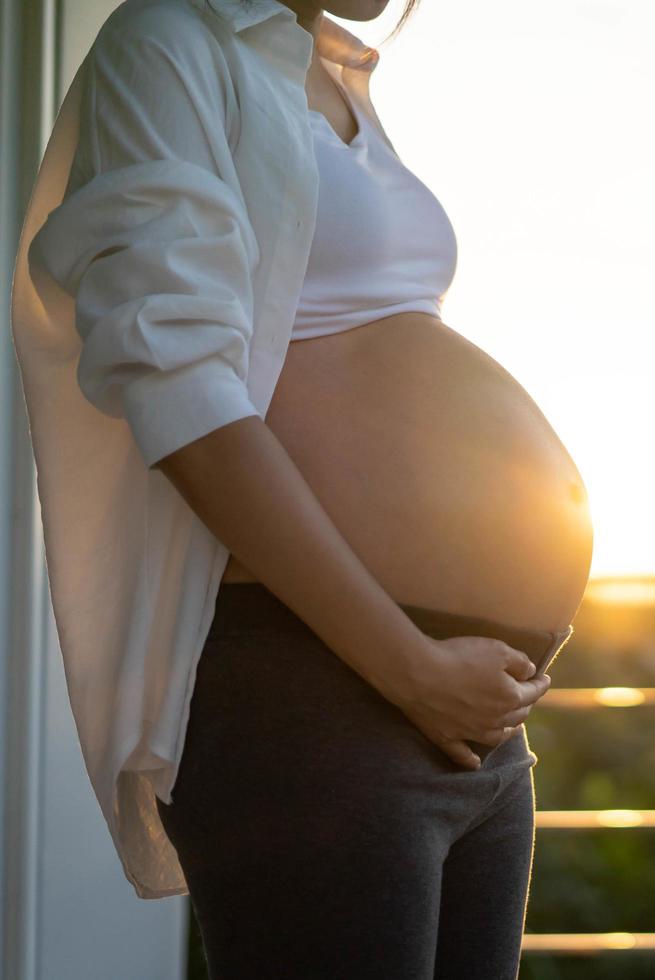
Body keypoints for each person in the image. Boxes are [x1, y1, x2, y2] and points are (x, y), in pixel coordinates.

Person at [10, 0, 594, 974]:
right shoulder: (171, 42)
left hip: (470, 721)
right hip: (322, 684)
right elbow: (179, 385)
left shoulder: (326, 70)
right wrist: (407, 662)